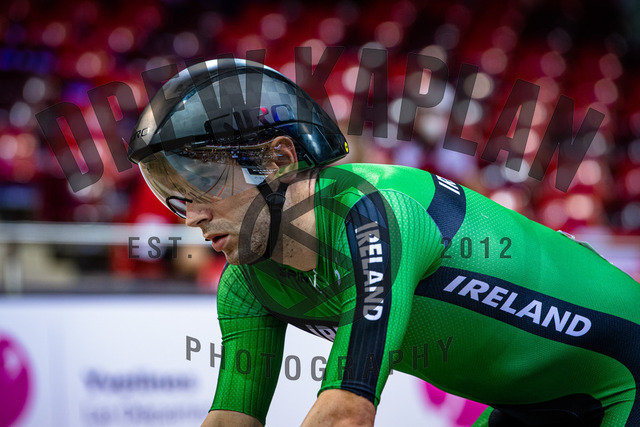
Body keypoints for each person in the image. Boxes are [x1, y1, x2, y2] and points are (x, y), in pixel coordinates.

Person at [128, 58, 640, 427]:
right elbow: (231, 418)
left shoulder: (374, 213)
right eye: (174, 196)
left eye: (204, 183)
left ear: (279, 159)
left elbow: (347, 412)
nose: (191, 216)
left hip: (623, 378)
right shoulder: (243, 284)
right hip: (532, 405)